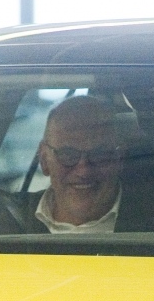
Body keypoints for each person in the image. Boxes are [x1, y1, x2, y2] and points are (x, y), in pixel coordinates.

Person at [33, 95, 125, 233]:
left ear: (120, 158)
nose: (84, 171)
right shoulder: (7, 220)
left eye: (99, 154)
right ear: (44, 160)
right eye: (68, 155)